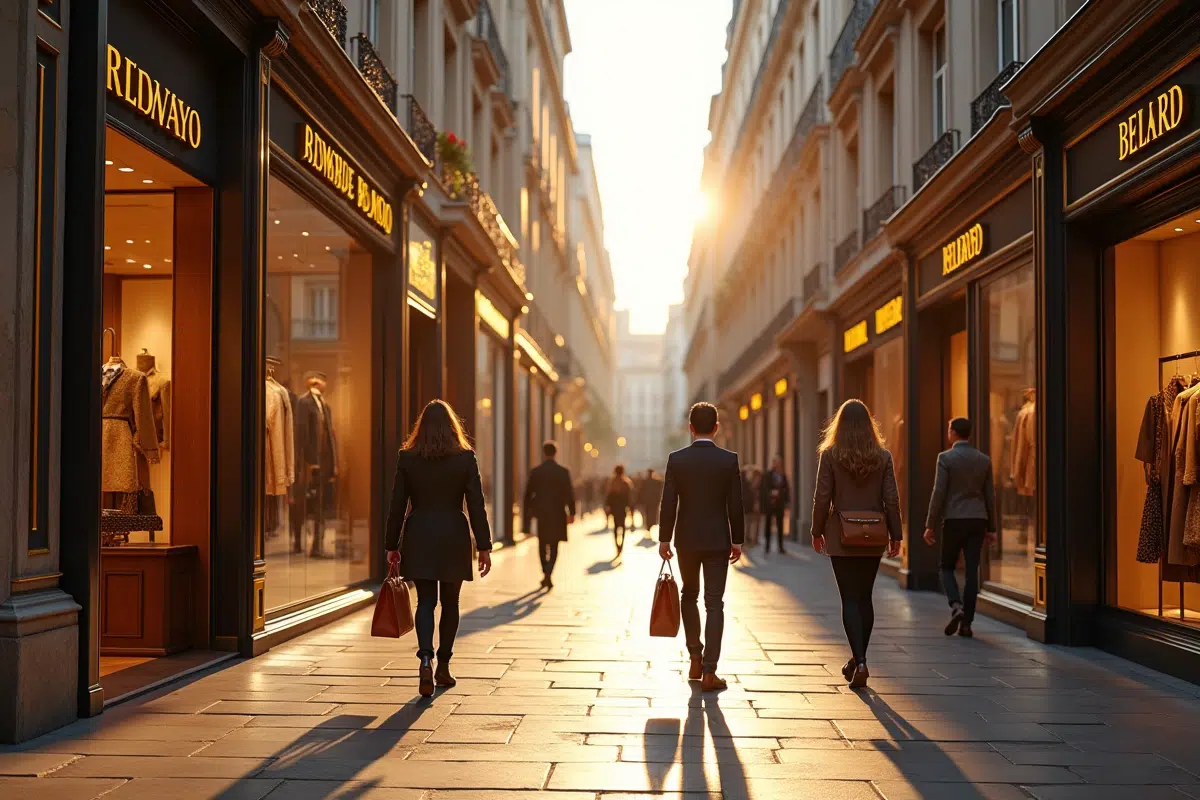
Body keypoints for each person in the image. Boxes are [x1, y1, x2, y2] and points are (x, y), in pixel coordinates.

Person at [384, 399, 492, 698]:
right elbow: (476, 504)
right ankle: (443, 665)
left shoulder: (408, 458)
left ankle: (425, 658)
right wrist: (483, 546)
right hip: (453, 535)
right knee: (451, 603)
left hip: (419, 533)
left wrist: (391, 544)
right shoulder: (465, 458)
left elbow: (396, 505)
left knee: (426, 603)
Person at [810, 399, 903, 689]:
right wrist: (896, 534)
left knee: (849, 599)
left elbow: (822, 497)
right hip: (874, 535)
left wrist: (816, 530)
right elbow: (891, 498)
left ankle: (859, 660)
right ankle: (858, 660)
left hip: (842, 535)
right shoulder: (883, 457)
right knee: (865, 598)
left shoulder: (830, 455)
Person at [658, 402, 745, 692]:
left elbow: (669, 501)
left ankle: (695, 655)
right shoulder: (728, 460)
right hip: (718, 540)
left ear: (690, 428)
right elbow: (736, 503)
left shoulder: (677, 459)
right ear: (716, 428)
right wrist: (737, 540)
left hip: (686, 540)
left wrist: (664, 538)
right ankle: (710, 671)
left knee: (689, 595)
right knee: (714, 603)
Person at [923, 417, 997, 639]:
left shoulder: (946, 458)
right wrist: (992, 527)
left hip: (954, 519)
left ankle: (956, 605)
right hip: (978, 520)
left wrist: (930, 525)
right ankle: (967, 624)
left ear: (953, 432)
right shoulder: (983, 460)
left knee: (946, 567)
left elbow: (939, 492)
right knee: (972, 570)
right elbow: (989, 496)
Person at [523, 440, 576, 589]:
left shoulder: (536, 472)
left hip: (542, 513)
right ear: (555, 453)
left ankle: (545, 571)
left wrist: (528, 513)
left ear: (544, 453)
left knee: (542, 543)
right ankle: (549, 573)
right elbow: (569, 494)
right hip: (558, 513)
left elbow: (528, 494)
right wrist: (572, 513)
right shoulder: (563, 472)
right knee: (554, 545)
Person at [760, 456, 791, 554]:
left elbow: (786, 489)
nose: (778, 465)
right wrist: (770, 493)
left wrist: (786, 501)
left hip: (779, 504)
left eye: (779, 463)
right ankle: (767, 546)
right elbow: (763, 489)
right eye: (776, 463)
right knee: (768, 525)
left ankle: (781, 547)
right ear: (773, 464)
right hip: (770, 504)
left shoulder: (783, 475)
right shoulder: (767, 475)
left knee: (780, 526)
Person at [605, 465, 634, 556]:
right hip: (622, 508)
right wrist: (630, 508)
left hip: (614, 508)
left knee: (615, 527)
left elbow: (608, 496)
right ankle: (621, 545)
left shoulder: (612, 483)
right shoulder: (626, 483)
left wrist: (607, 506)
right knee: (623, 526)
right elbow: (629, 497)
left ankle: (617, 545)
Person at [640, 469, 663, 534]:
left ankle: (649, 525)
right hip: (653, 501)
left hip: (648, 501)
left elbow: (641, 492)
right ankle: (650, 524)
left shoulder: (645, 481)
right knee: (652, 513)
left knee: (648, 514)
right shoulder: (656, 482)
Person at [742, 467, 761, 548]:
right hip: (749, 506)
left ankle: (751, 539)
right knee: (748, 523)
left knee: (751, 523)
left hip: (751, 506)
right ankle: (748, 539)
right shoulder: (747, 483)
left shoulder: (749, 482)